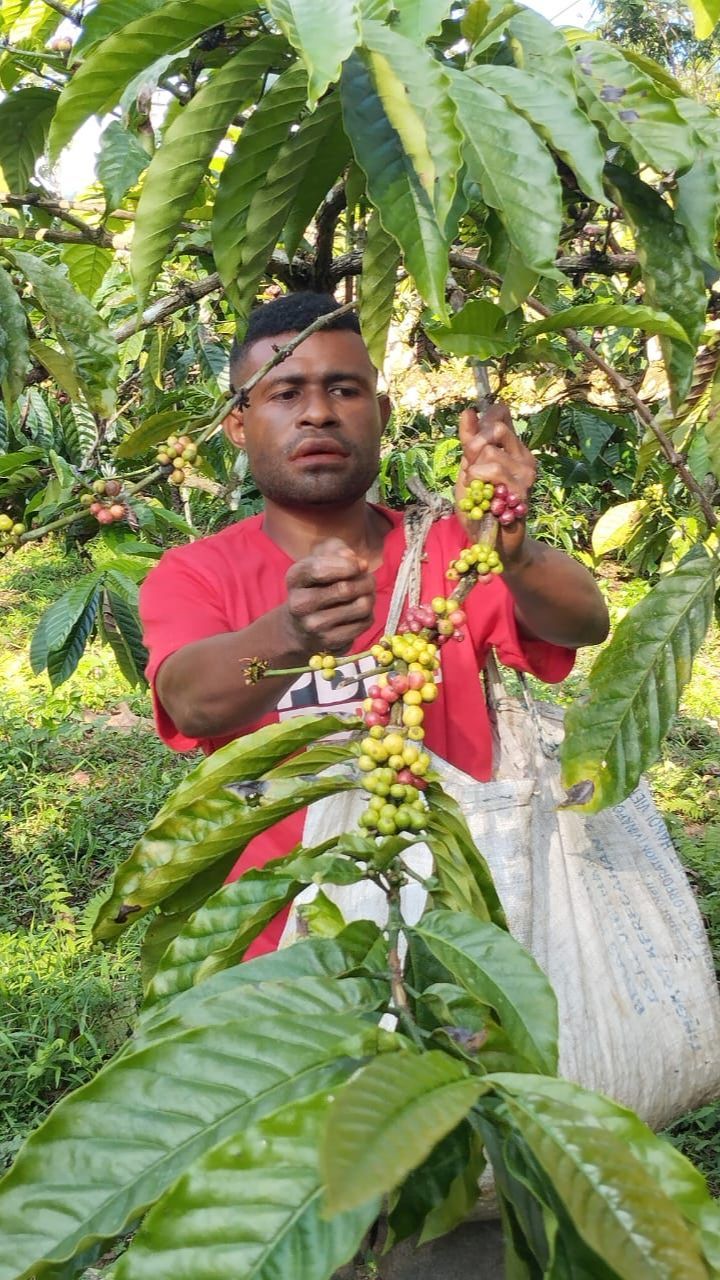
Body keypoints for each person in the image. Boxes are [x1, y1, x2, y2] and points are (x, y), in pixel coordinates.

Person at [140, 291, 609, 956]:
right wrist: (292, 633)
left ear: (381, 414)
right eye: (285, 393)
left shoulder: (455, 551)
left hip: (455, 925)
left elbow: (584, 623)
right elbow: (190, 703)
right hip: (277, 939)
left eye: (344, 389)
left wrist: (513, 549)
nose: (318, 412)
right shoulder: (196, 574)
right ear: (238, 424)